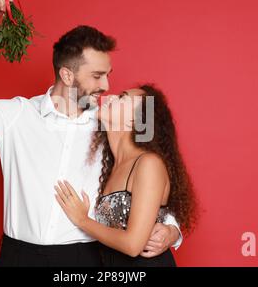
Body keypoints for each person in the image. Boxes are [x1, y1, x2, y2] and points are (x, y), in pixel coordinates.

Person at [0, 0, 183, 267]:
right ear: (67, 75)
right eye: (97, 76)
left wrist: (171, 230)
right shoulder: (16, 116)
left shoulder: (111, 123)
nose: (107, 87)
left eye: (108, 75)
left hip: (86, 260)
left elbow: (145, 178)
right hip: (18, 257)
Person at [55, 85, 198, 266]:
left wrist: (83, 221)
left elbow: (133, 245)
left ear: (135, 121)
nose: (111, 95)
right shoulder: (107, 161)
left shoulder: (148, 163)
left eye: (123, 97)